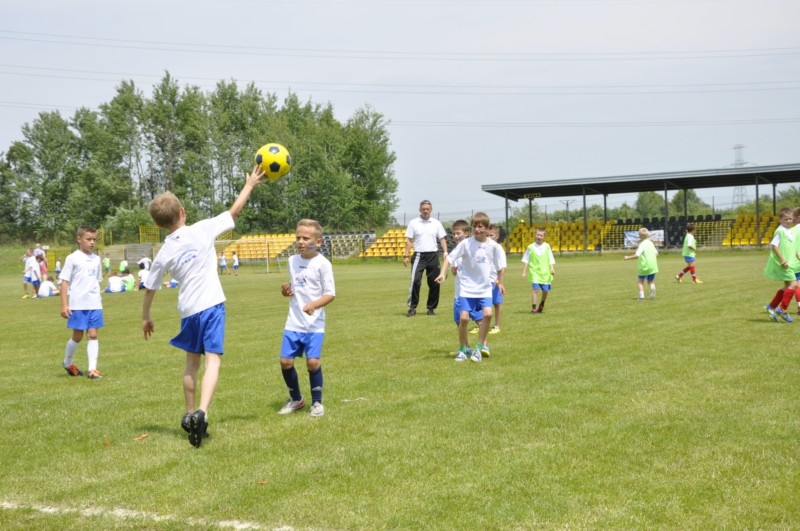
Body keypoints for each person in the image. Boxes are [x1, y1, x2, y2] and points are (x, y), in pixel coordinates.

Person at [142, 165, 265, 448]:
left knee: (191, 364)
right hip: (211, 305)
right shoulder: (202, 229)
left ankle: (189, 413)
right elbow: (234, 212)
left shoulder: (163, 252)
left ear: (159, 225)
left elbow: (150, 288)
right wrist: (249, 185)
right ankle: (202, 413)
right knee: (213, 361)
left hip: (188, 311)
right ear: (183, 211)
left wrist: (146, 317)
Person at [277, 219, 336, 417]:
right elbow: (296, 288)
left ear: (318, 242)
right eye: (298, 238)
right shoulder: (292, 261)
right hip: (293, 321)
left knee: (312, 363)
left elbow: (330, 294)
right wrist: (287, 291)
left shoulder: (323, 264)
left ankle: (317, 403)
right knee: (285, 362)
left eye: (306, 238)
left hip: (314, 324)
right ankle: (296, 399)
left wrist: (314, 305)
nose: (301, 241)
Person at [435, 212, 505, 362]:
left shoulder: (493, 246)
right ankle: (462, 349)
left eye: (480, 227)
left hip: (484, 288)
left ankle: (479, 348)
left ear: (487, 228)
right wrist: (442, 273)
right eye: (475, 226)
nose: (477, 229)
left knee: (487, 315)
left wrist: (500, 282)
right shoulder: (466, 244)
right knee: (463, 318)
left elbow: (500, 266)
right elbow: (449, 258)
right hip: (467, 288)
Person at [59, 225, 104, 379]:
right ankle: (67, 362)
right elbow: (64, 282)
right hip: (78, 304)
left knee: (93, 334)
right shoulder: (72, 258)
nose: (92, 242)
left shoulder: (96, 259)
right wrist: (64, 305)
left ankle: (92, 370)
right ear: (79, 239)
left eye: (94, 240)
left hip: (95, 303)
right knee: (77, 336)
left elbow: (96, 280)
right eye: (88, 239)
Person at [403, 199, 448, 316]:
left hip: (433, 255)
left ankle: (431, 308)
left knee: (435, 282)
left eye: (427, 209)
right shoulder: (413, 223)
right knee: (415, 281)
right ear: (420, 209)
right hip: (419, 255)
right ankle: (412, 307)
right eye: (423, 209)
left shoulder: (436, 223)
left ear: (431, 210)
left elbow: (442, 238)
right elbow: (409, 240)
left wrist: (445, 252)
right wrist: (406, 255)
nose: (425, 211)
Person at [448, 219, 483, 358]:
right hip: (459, 293)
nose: (456, 236)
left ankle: (482, 346)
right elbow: (454, 272)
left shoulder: (472, 248)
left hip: (472, 292)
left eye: (458, 233)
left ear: (466, 233)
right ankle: (466, 347)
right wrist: (454, 271)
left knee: (479, 320)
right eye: (454, 234)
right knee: (459, 321)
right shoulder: (455, 252)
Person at [764, 207, 797, 322]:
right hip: (783, 263)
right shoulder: (780, 230)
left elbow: (793, 247)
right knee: (794, 284)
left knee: (788, 286)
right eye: (785, 219)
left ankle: (771, 306)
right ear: (780, 219)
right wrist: (782, 260)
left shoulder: (790, 230)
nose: (788, 221)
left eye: (790, 219)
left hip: (789, 262)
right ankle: (782, 309)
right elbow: (774, 246)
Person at [521, 227, 556, 314]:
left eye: (541, 235)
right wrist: (524, 272)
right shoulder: (530, 247)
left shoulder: (547, 246)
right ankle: (533, 308)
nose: (539, 237)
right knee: (535, 290)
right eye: (537, 235)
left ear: (544, 237)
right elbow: (526, 260)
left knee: (545, 291)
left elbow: (550, 258)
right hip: (534, 272)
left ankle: (542, 304)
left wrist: (552, 268)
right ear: (535, 235)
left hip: (545, 273)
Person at [624, 227, 659, 301]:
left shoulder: (642, 244)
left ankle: (641, 297)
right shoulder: (650, 243)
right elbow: (656, 253)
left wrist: (628, 257)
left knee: (640, 281)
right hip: (653, 266)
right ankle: (652, 287)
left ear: (640, 236)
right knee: (650, 281)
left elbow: (637, 255)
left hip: (644, 266)